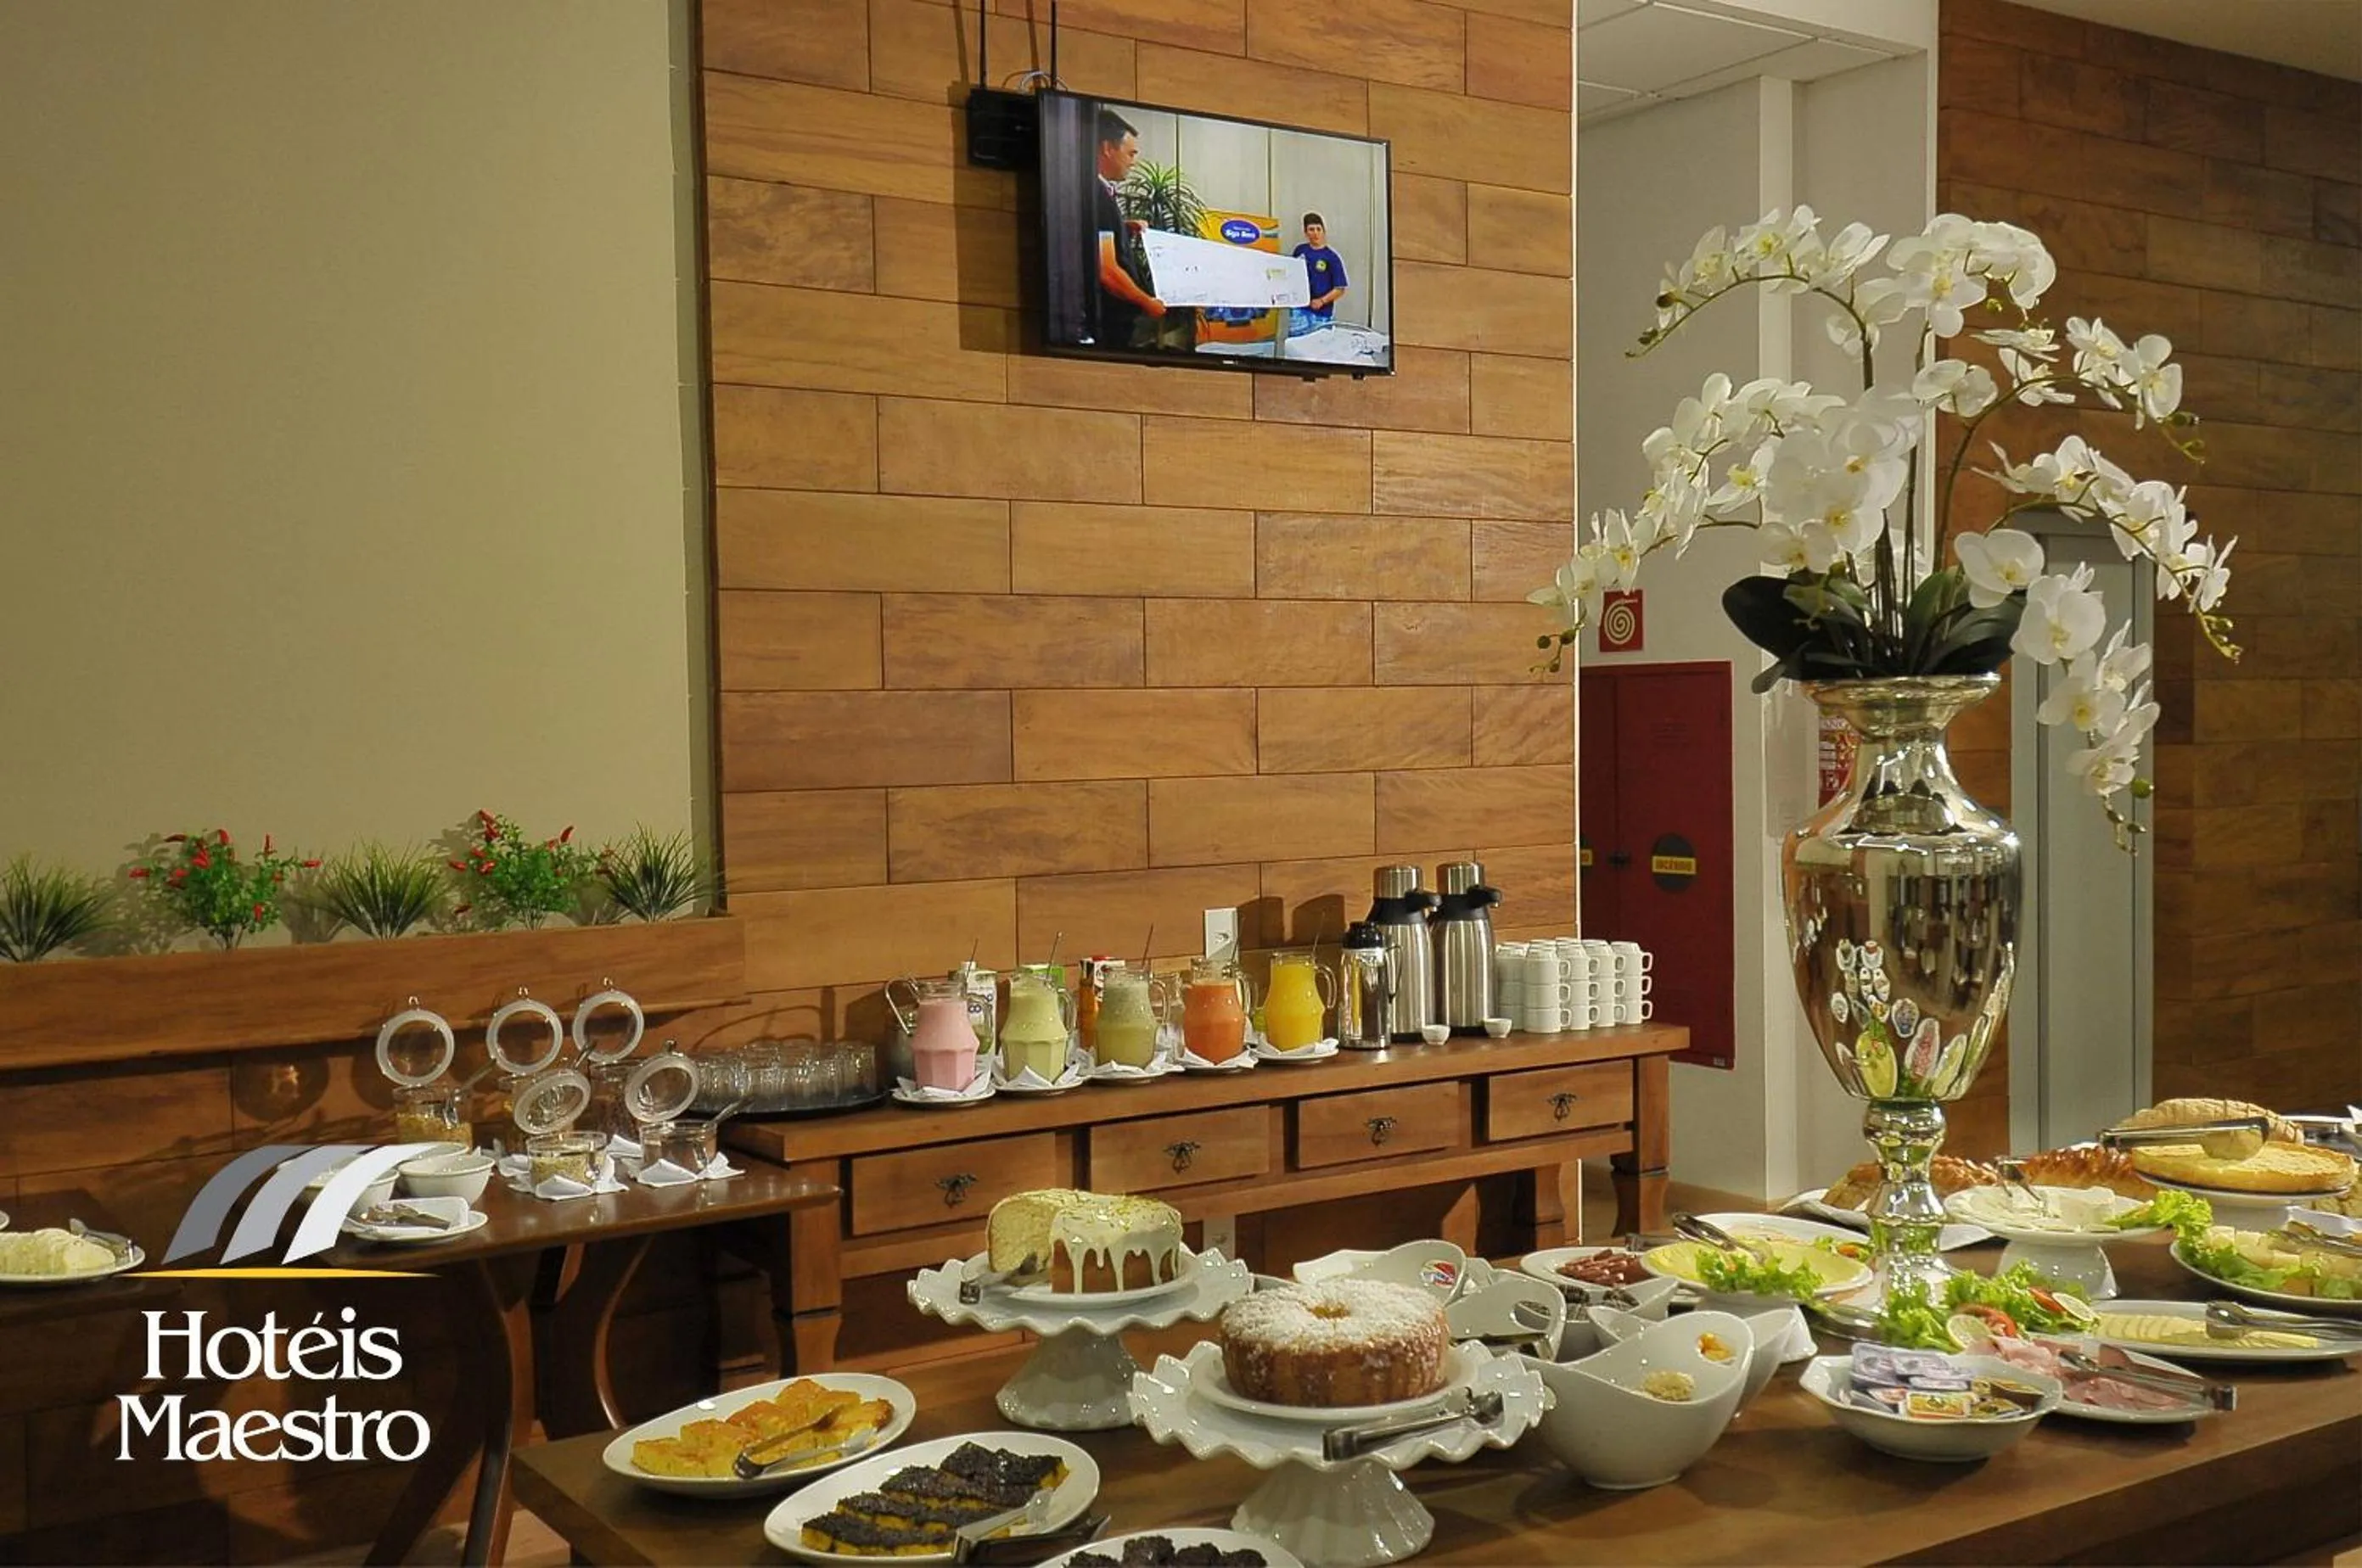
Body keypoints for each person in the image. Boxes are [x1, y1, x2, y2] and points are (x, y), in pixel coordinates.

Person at [1091, 108, 1164, 349]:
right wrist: (1147, 302)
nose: (1134, 162)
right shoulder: (1096, 195)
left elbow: (1092, 234)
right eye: (1130, 153)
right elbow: (1107, 270)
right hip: (1108, 326)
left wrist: (1122, 227)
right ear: (1107, 148)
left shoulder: (1094, 191)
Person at [1290, 214, 1348, 335]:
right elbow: (1291, 275)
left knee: (1319, 350)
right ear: (1305, 232)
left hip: (1321, 315)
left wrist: (1322, 301)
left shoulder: (1332, 257)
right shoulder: (1300, 250)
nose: (1315, 233)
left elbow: (1340, 289)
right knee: (1296, 346)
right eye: (1311, 230)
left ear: (1323, 231)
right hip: (1299, 311)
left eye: (1318, 229)